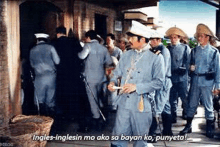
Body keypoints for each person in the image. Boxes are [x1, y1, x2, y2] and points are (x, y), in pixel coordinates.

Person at [108, 22, 165, 147]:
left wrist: (137, 87)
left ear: (142, 39)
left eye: (132, 38)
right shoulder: (127, 54)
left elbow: (159, 82)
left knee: (140, 140)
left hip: (142, 104)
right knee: (118, 138)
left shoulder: (156, 57)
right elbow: (116, 72)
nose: (129, 40)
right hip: (123, 102)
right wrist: (112, 82)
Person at [179, 24, 220, 138]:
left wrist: (217, 85)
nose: (199, 39)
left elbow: (217, 69)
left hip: (208, 82)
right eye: (198, 36)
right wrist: (190, 69)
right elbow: (188, 66)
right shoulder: (194, 51)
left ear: (207, 37)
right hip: (195, 81)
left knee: (208, 105)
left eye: (201, 36)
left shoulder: (214, 52)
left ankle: (210, 128)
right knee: (192, 104)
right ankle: (188, 126)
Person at [78, 30, 113, 131]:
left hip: (90, 77)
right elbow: (109, 62)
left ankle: (97, 118)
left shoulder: (87, 46)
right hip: (101, 77)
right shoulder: (103, 48)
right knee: (99, 96)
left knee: (92, 98)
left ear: (88, 37)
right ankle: (101, 112)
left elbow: (81, 56)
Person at [52, 26, 84, 120]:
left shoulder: (54, 42)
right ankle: (73, 113)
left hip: (60, 72)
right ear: (65, 33)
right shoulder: (74, 41)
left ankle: (62, 114)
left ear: (57, 33)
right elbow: (80, 55)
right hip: (74, 72)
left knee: (61, 92)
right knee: (73, 92)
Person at [148, 30, 173, 137]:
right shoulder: (158, 49)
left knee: (157, 107)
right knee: (166, 106)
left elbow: (162, 69)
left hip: (163, 81)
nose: (150, 43)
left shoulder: (163, 51)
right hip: (164, 81)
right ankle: (168, 132)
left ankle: (151, 133)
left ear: (158, 40)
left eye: (152, 40)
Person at [30, 33, 60, 117]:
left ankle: (41, 118)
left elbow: (32, 64)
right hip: (51, 76)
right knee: (51, 97)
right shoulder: (51, 48)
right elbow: (57, 61)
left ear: (37, 40)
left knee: (39, 98)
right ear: (46, 40)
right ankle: (50, 118)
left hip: (39, 76)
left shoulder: (33, 50)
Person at [166, 27, 191, 123]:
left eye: (175, 37)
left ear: (179, 38)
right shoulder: (167, 49)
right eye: (171, 38)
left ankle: (186, 113)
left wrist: (184, 68)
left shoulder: (185, 48)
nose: (173, 39)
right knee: (172, 98)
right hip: (171, 77)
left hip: (182, 77)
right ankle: (173, 115)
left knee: (184, 97)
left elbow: (188, 61)